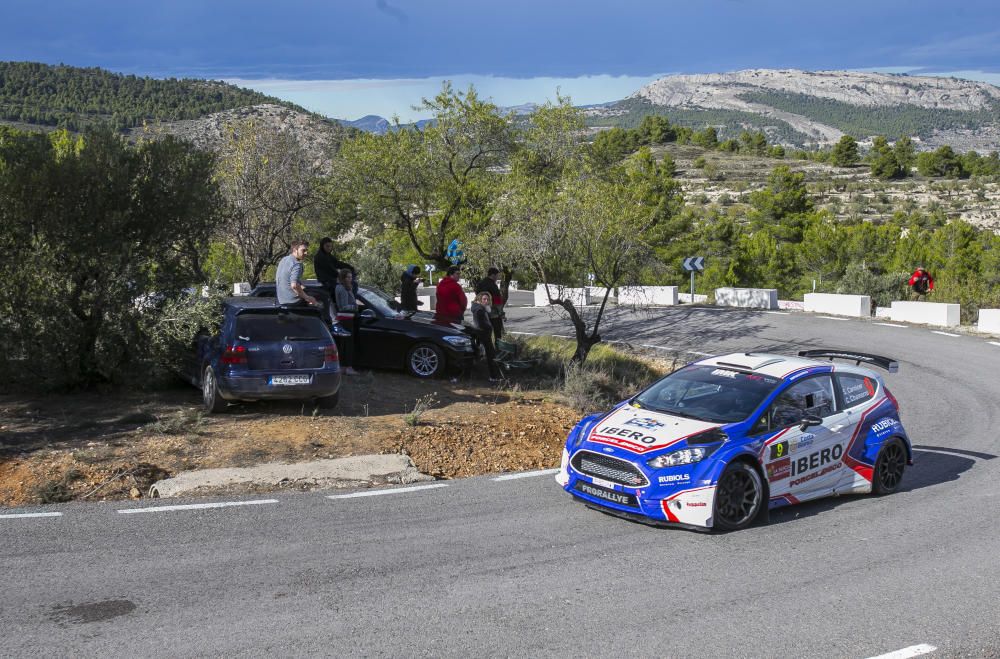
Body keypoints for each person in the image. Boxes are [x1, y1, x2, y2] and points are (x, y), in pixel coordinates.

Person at [276, 240, 318, 307]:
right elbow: (294, 285)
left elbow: (290, 281)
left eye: (307, 250)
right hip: (293, 301)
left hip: (281, 301)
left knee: (308, 291)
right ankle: (331, 317)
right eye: (303, 250)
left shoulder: (283, 260)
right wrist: (307, 298)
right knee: (323, 296)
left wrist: (302, 287)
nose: (306, 253)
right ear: (295, 250)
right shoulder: (296, 264)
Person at [334, 269, 360, 375]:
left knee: (344, 344)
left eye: (351, 277)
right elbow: (343, 306)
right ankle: (348, 367)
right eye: (348, 277)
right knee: (348, 344)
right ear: (343, 278)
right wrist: (355, 306)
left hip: (344, 318)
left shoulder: (343, 287)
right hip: (346, 318)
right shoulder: (342, 288)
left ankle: (343, 366)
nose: (350, 279)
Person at [471, 291, 502, 382]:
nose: (486, 301)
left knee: (484, 355)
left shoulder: (479, 308)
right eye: (484, 299)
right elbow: (481, 324)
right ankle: (493, 377)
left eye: (488, 299)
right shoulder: (480, 310)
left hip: (482, 334)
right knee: (491, 355)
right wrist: (489, 327)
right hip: (484, 335)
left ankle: (491, 376)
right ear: (479, 299)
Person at [475, 266, 505, 341]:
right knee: (497, 333)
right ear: (493, 275)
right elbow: (497, 301)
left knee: (484, 333)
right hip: (493, 313)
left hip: (481, 312)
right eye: (497, 276)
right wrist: (501, 313)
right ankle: (498, 349)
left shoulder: (480, 284)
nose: (497, 278)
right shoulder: (493, 285)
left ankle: (483, 349)